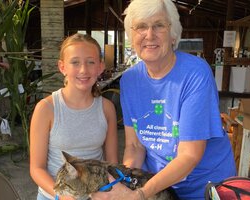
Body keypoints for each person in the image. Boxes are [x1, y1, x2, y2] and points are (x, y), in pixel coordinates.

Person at [91, 0, 236, 199]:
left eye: (159, 25)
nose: (149, 35)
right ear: (131, 37)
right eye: (141, 26)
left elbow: (189, 155)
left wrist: (141, 194)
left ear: (173, 34)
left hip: (204, 187)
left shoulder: (195, 74)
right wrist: (124, 184)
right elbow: (135, 146)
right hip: (157, 186)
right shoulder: (130, 80)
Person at [30, 33, 118, 200]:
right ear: (62, 67)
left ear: (100, 67)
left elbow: (112, 164)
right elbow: (36, 168)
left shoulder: (107, 108)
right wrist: (61, 196)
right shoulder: (46, 108)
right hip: (54, 195)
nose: (83, 70)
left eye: (90, 62)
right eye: (75, 62)